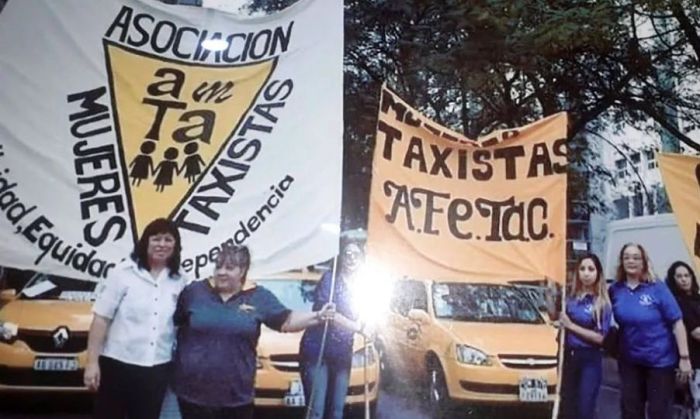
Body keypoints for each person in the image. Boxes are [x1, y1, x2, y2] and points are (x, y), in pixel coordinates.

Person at [172, 245, 335, 419]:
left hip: (237, 397)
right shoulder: (194, 292)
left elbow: (287, 321)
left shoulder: (259, 296)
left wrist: (318, 316)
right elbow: (173, 326)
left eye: (229, 268)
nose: (221, 272)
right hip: (192, 396)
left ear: (242, 271)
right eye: (218, 266)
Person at [85, 218, 186, 419]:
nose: (162, 245)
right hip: (118, 364)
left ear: (175, 246)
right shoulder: (122, 274)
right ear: (145, 243)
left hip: (157, 367)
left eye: (168, 240)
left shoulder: (180, 280)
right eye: (156, 239)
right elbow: (101, 320)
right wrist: (91, 363)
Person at [609, 243, 692, 419]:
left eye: (636, 257)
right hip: (630, 361)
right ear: (621, 262)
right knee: (630, 411)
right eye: (627, 257)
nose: (631, 261)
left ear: (644, 261)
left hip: (660, 362)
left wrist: (684, 358)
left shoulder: (657, 288)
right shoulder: (615, 290)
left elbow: (677, 323)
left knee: (659, 413)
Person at [299, 242, 370, 419]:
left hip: (342, 352)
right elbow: (328, 313)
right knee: (317, 409)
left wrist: (369, 326)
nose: (351, 258)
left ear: (362, 258)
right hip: (318, 350)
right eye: (347, 253)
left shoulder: (365, 284)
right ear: (341, 257)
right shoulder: (330, 279)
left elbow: (368, 314)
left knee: (337, 410)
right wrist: (356, 327)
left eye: (355, 254)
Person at [547, 254, 612, 419]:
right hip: (567, 356)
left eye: (591, 269)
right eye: (582, 269)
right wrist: (550, 292)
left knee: (585, 407)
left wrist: (571, 326)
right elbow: (554, 316)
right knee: (567, 406)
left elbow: (601, 338)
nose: (586, 273)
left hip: (589, 358)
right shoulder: (570, 298)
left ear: (598, 273)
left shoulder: (601, 302)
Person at [666, 261, 700, 419]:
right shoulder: (678, 303)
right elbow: (696, 333)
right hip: (694, 361)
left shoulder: (697, 299)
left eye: (687, 275)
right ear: (673, 279)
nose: (684, 279)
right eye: (679, 276)